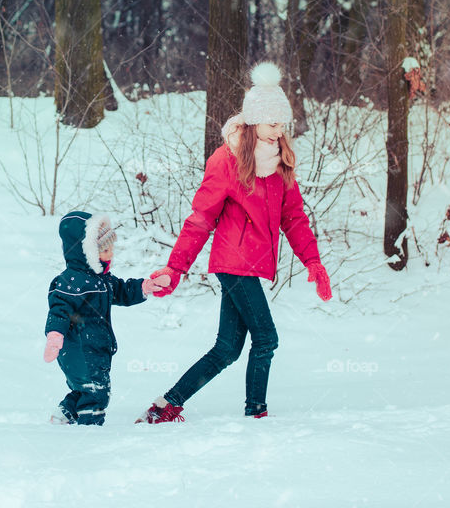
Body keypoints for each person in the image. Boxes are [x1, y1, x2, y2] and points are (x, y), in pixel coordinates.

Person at [137, 62, 332, 424]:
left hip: (253, 266)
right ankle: (256, 412)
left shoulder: (281, 164)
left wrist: (313, 262)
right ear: (255, 120)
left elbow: (295, 219)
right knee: (267, 339)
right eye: (272, 123)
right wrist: (176, 266)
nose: (278, 131)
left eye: (282, 123)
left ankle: (166, 405)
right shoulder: (227, 160)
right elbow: (201, 217)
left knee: (227, 349)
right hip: (232, 263)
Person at [44, 211, 170, 425]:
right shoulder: (70, 282)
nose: (111, 253)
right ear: (86, 252)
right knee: (97, 391)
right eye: (104, 249)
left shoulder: (100, 279)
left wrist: (144, 287)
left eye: (111, 247)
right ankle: (90, 432)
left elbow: (121, 290)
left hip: (96, 348)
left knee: (86, 388)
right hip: (78, 349)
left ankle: (64, 415)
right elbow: (59, 310)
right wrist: (55, 336)